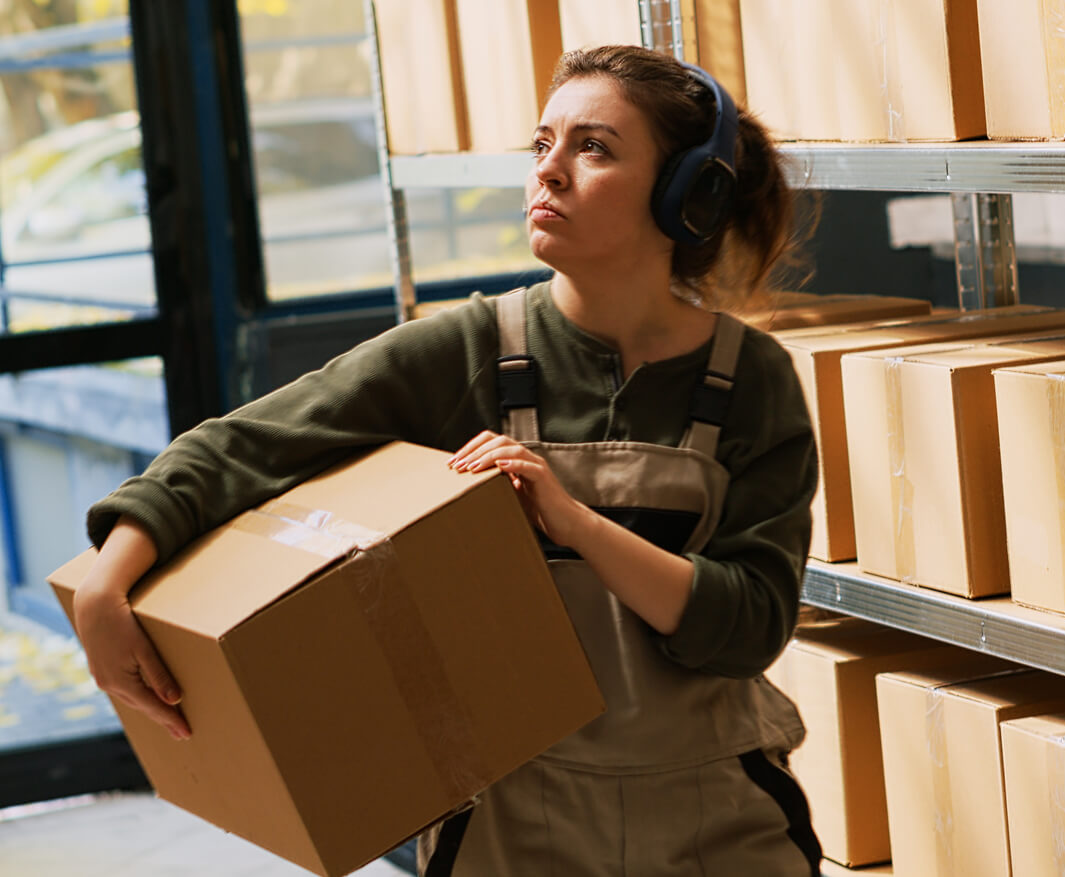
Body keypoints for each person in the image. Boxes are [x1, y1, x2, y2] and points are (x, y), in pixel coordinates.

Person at [71, 45, 823, 876]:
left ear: (690, 193)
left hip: (719, 815)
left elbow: (750, 623)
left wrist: (571, 520)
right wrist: (110, 578)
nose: (551, 173)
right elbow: (235, 450)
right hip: (511, 823)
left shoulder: (752, 379)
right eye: (543, 145)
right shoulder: (468, 349)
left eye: (594, 147)